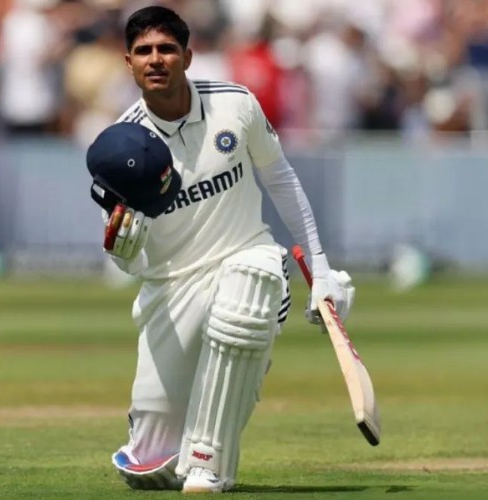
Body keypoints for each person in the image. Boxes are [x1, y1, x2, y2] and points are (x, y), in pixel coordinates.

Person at [88, 5, 355, 493]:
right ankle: (187, 429)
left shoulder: (235, 104)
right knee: (151, 467)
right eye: (144, 51)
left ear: (188, 57)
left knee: (249, 291)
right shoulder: (118, 146)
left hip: (245, 255)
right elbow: (129, 261)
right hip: (171, 286)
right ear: (128, 62)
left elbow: (280, 178)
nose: (155, 59)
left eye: (167, 49)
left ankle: (208, 464)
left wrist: (321, 269)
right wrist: (123, 252)